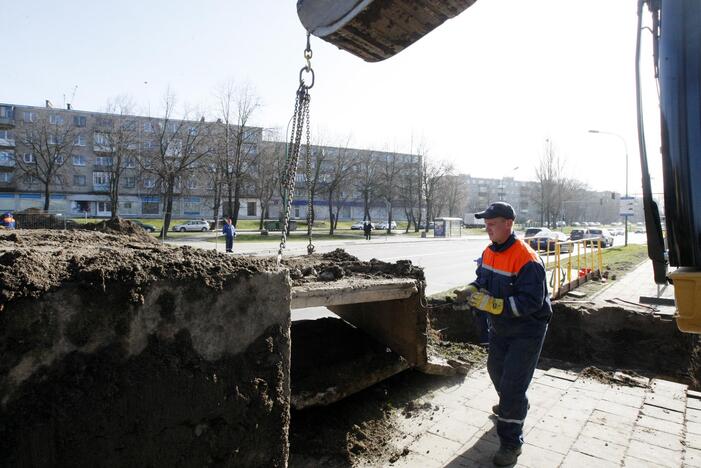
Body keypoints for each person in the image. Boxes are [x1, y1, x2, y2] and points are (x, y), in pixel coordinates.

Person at [454, 201, 551, 466]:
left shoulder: (527, 259)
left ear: (508, 224)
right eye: (486, 225)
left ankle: (511, 443)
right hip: (500, 328)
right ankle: (515, 406)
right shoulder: (489, 252)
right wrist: (470, 288)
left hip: (527, 330)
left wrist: (494, 305)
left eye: (492, 224)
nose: (488, 229)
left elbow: (532, 302)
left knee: (511, 387)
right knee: (496, 371)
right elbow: (482, 280)